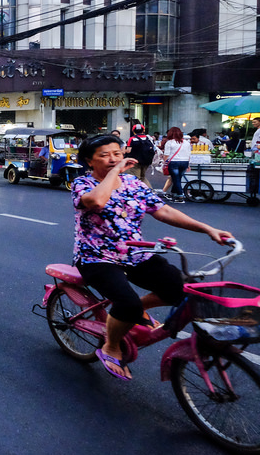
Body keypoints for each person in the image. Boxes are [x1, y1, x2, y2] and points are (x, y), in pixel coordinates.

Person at [72, 134, 233, 381]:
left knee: (181, 290)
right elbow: (97, 200)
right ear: (89, 161)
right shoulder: (82, 184)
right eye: (104, 155)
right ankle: (111, 345)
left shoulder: (134, 183)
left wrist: (208, 229)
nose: (113, 159)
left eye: (117, 153)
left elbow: (164, 211)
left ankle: (139, 310)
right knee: (128, 304)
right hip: (97, 258)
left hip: (135, 253)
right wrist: (115, 172)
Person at [162, 126, 191, 202]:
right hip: (185, 162)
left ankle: (180, 196)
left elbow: (166, 155)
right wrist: (188, 165)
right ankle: (174, 193)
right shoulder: (186, 142)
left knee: (175, 179)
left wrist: (165, 163)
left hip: (174, 162)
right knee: (178, 179)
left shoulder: (169, 142)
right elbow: (189, 154)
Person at [124, 124, 156, 188]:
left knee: (135, 178)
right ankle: (150, 191)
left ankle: (137, 193)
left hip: (135, 161)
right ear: (143, 130)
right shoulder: (149, 138)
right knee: (143, 177)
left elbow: (128, 150)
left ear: (133, 131)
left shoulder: (132, 139)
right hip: (146, 161)